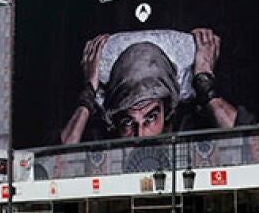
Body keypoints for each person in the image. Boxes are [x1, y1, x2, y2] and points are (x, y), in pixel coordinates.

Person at [59, 29, 245, 144]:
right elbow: (55, 164)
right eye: (127, 123)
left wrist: (205, 88)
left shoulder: (191, 125)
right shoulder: (99, 136)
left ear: (166, 110)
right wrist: (88, 96)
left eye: (151, 117)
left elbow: (250, 142)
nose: (141, 135)